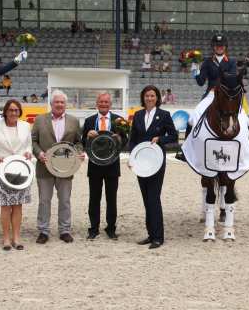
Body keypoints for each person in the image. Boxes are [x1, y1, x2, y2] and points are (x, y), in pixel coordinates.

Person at [31, 90, 84, 244]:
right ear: (51, 104)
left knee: (65, 200)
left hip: (66, 168)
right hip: (44, 166)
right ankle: (43, 230)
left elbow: (78, 142)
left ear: (65, 104)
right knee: (44, 201)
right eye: (57, 102)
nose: (59, 104)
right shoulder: (40, 120)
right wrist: (39, 153)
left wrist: (79, 153)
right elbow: (33, 141)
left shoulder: (73, 121)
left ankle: (65, 230)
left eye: (62, 102)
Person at [129, 86, 178, 249]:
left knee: (153, 198)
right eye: (147, 96)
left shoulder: (164, 115)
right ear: (143, 98)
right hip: (141, 163)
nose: (149, 98)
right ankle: (151, 235)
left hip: (156, 162)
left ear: (157, 98)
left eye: (152, 96)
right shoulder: (138, 115)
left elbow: (174, 136)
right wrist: (131, 158)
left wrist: (160, 139)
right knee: (146, 199)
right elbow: (133, 139)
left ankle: (158, 237)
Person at [0, 99, 32, 251]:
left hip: (21, 171)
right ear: (5, 111)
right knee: (5, 207)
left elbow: (28, 145)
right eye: (11, 110)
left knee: (18, 206)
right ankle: (5, 238)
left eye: (16, 110)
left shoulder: (25, 126)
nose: (13, 113)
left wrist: (28, 153)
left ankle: (16, 237)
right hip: (1, 171)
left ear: (20, 112)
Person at [81, 93, 127, 240]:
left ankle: (111, 228)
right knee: (94, 198)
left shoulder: (119, 120)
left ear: (110, 104)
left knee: (111, 199)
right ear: (97, 103)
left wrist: (119, 138)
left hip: (112, 165)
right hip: (94, 165)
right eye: (101, 102)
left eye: (106, 102)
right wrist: (88, 135)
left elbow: (126, 141)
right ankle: (93, 228)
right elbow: (82, 142)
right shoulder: (89, 121)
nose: (103, 104)